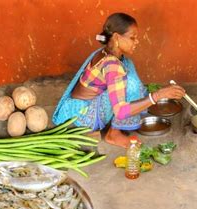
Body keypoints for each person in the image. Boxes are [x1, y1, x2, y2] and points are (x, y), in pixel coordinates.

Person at [52, 13, 185, 148]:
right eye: (133, 38)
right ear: (116, 37)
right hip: (83, 117)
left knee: (128, 68)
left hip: (75, 108)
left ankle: (120, 125)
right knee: (130, 85)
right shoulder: (113, 66)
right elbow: (120, 111)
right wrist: (158, 96)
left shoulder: (106, 53)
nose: (137, 42)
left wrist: (157, 94)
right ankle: (113, 134)